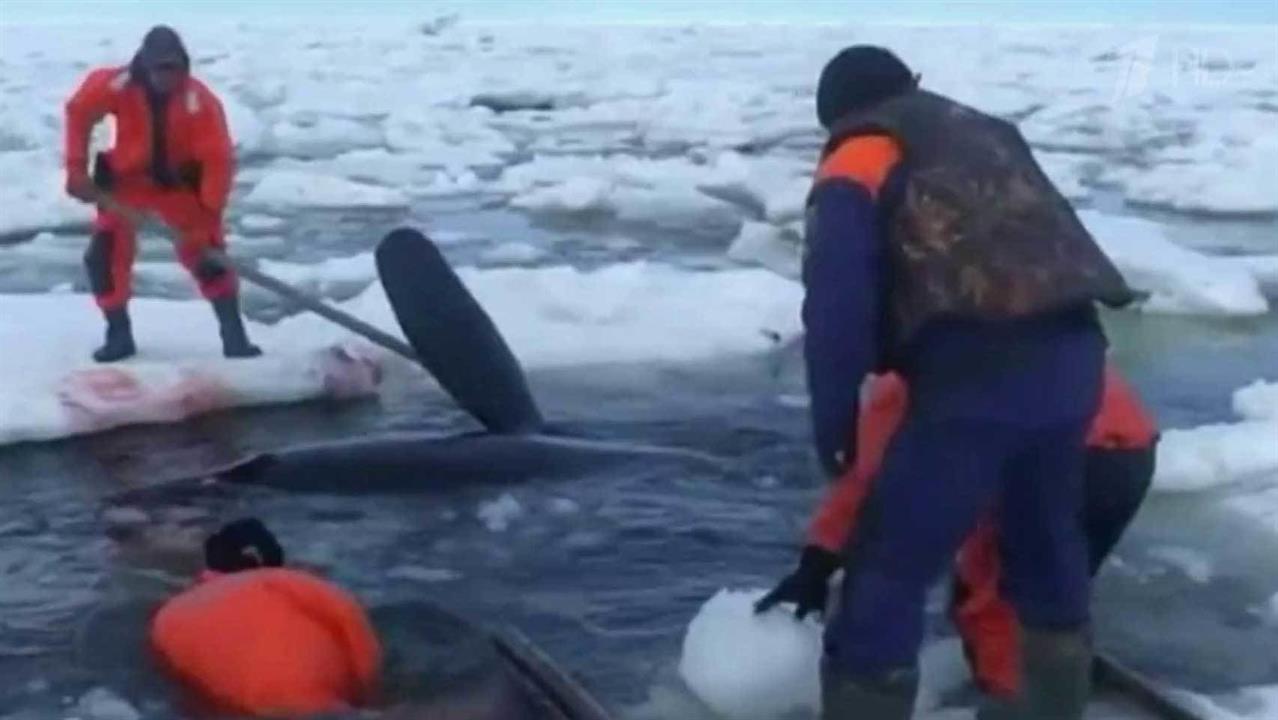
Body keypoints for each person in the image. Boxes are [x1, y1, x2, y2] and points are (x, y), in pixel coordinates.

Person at [783, 45, 1135, 719]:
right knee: (1044, 547)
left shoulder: (859, 155)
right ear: (908, 84)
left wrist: (834, 430)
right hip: (1075, 357)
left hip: (976, 375)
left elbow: (837, 310)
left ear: (837, 115)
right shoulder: (988, 132)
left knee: (887, 573)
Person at [757, 364, 1158, 714]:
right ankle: (1055, 671)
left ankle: (1012, 700)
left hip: (1071, 457)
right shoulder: (1017, 313)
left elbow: (867, 481)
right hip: (1129, 452)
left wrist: (817, 561)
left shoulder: (908, 375)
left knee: (989, 599)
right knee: (1049, 591)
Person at [64, 25, 261, 362]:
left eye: (173, 68)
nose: (166, 76)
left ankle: (234, 337)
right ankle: (119, 334)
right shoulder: (116, 85)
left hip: (179, 190)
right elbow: (78, 112)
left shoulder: (200, 103)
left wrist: (206, 219)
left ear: (183, 67)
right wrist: (77, 169)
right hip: (126, 188)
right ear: (145, 65)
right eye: (159, 68)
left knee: (209, 258)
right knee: (103, 256)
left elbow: (217, 163)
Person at [150, 518, 381, 717]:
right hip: (330, 691)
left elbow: (187, 696)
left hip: (258, 702)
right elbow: (363, 650)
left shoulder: (173, 613)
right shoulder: (312, 585)